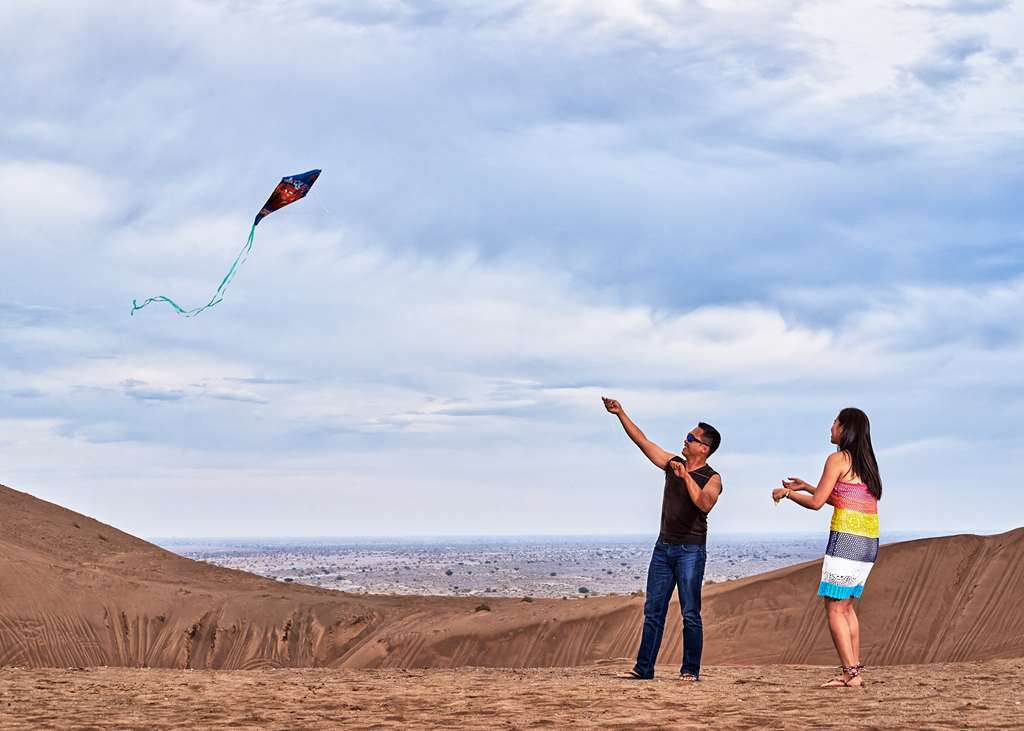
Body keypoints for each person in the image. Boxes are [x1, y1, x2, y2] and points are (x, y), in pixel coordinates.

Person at [602, 397, 722, 681]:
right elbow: (643, 442)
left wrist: (686, 477)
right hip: (663, 549)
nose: (685, 440)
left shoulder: (712, 477)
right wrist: (621, 414)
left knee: (690, 612)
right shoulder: (673, 463)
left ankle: (690, 670)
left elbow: (704, 503)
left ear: (703, 448)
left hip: (690, 551)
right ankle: (644, 669)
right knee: (653, 611)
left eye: (690, 438)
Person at [772, 407, 883, 688]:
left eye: (835, 423)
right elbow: (845, 499)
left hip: (846, 539)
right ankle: (854, 670)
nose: (830, 427)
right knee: (846, 608)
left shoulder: (837, 459)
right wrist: (808, 486)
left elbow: (817, 503)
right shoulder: (866, 463)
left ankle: (849, 674)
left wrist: (788, 493)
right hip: (868, 541)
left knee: (834, 608)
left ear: (845, 428)